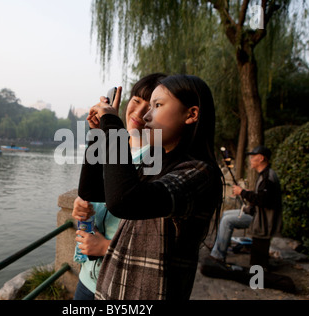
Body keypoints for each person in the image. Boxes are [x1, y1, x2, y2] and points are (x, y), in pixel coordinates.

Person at [79, 74, 224, 300]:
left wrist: (113, 125)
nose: (145, 116)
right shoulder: (156, 163)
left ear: (191, 114)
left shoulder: (199, 174)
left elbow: (124, 201)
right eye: (139, 103)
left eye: (157, 105)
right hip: (112, 291)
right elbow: (93, 191)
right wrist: (98, 133)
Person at [72, 73, 167, 300]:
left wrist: (106, 247)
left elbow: (161, 238)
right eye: (136, 100)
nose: (140, 111)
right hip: (87, 279)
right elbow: (92, 197)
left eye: (153, 105)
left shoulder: (160, 162)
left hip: (120, 285)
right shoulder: (113, 147)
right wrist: (81, 208)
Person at [211, 145, 282, 270]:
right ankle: (219, 249)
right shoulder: (265, 174)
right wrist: (249, 192)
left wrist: (242, 192)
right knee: (227, 214)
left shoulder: (267, 177)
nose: (250, 160)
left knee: (228, 220)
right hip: (258, 215)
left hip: (263, 221)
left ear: (261, 158)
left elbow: (263, 200)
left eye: (253, 157)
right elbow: (262, 196)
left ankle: (218, 255)